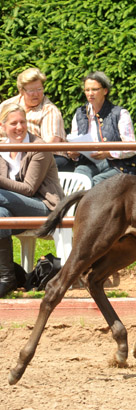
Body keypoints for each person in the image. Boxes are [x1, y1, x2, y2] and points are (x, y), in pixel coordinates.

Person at [0, 103, 64, 297]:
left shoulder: (38, 147)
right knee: (0, 215)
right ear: (2, 127)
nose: (19, 127)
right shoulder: (2, 147)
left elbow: (28, 189)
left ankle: (11, 276)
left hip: (44, 206)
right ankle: (9, 276)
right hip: (11, 207)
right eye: (13, 123)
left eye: (23, 122)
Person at [67, 71, 136, 186]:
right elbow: (74, 143)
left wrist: (108, 153)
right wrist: (73, 153)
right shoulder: (79, 113)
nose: (90, 94)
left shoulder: (120, 113)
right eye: (87, 90)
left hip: (117, 165)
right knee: (78, 179)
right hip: (88, 163)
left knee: (96, 184)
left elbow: (131, 148)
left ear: (105, 91)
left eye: (95, 89)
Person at [0, 67, 72, 171]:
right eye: (31, 90)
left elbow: (49, 145)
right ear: (21, 90)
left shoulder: (49, 110)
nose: (36, 94)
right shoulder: (6, 106)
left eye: (39, 89)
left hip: (47, 157)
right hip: (8, 154)